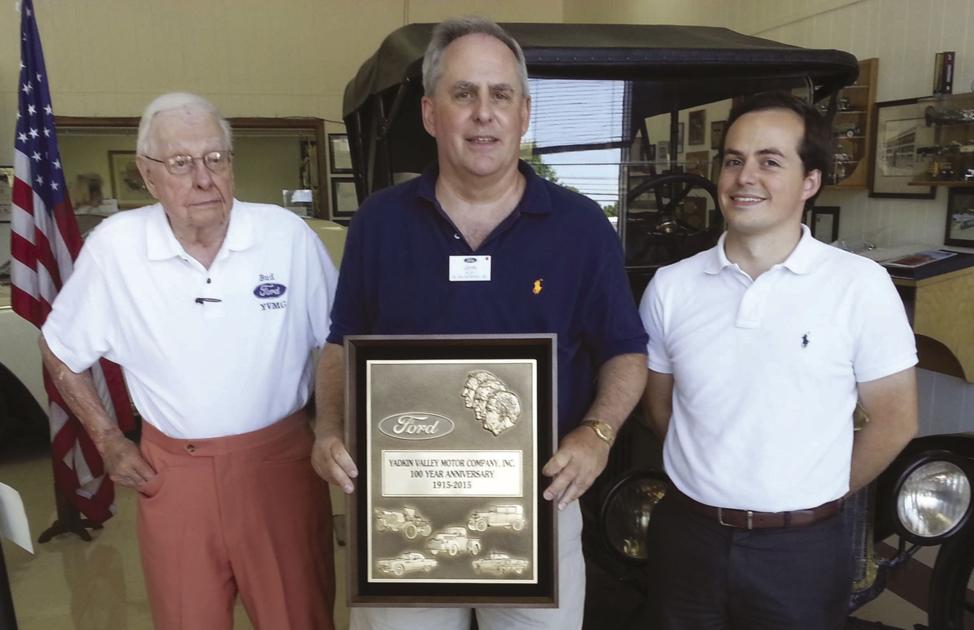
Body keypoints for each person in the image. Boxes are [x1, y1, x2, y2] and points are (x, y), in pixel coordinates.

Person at [311, 16, 647, 630]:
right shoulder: (380, 224)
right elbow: (341, 344)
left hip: (540, 503)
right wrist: (329, 429)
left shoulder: (581, 228)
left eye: (501, 95)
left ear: (524, 113)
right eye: (463, 94)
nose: (483, 112)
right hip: (403, 508)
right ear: (430, 114)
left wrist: (596, 435)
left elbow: (625, 350)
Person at [40, 92, 337, 630]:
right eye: (181, 163)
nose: (204, 178)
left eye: (216, 158)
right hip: (173, 474)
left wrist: (334, 427)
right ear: (148, 176)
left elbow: (339, 342)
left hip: (281, 468)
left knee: (299, 618)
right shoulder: (115, 249)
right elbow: (60, 349)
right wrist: (107, 438)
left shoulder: (285, 236)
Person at [639, 91, 918, 629]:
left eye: (770, 161)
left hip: (803, 550)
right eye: (734, 160)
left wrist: (810, 493)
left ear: (809, 182)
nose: (746, 177)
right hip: (688, 536)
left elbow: (895, 419)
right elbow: (659, 408)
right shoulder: (672, 286)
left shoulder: (860, 285)